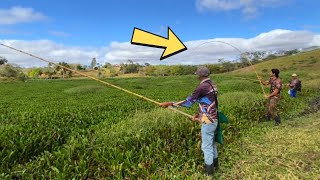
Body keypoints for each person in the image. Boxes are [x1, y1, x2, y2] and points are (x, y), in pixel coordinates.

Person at [159, 66, 219, 176]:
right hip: (214, 118)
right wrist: (199, 114)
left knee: (206, 146)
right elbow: (208, 102)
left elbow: (188, 102)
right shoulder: (213, 85)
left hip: (208, 121)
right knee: (212, 144)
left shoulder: (201, 87)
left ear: (199, 76)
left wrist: (170, 104)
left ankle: (210, 174)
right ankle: (216, 166)